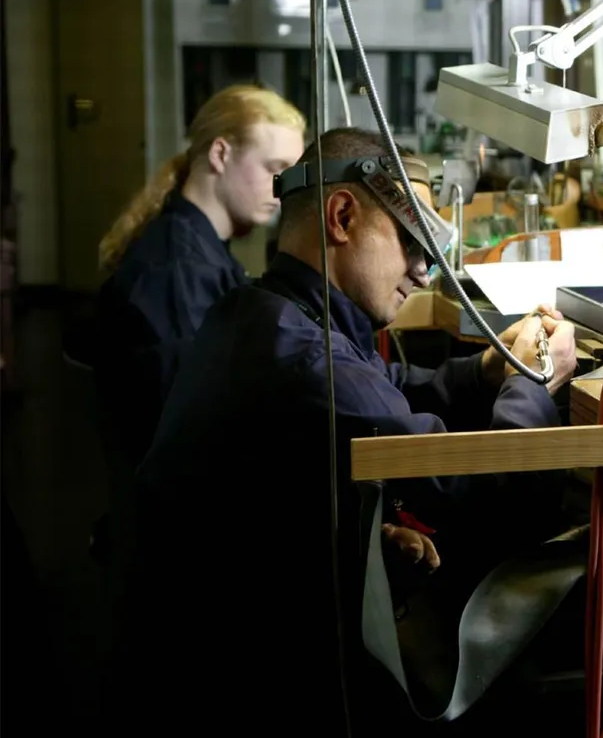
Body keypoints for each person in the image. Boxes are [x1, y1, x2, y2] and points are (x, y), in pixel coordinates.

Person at [110, 127, 579, 733]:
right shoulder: (305, 363)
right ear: (342, 215)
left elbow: (386, 389)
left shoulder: (262, 312)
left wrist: (490, 369)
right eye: (411, 240)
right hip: (235, 685)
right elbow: (484, 496)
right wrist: (536, 376)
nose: (421, 268)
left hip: (196, 636)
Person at [94, 84, 307, 469]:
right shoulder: (179, 271)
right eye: (274, 169)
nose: (282, 190)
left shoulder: (198, 248)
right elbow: (190, 424)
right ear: (220, 153)